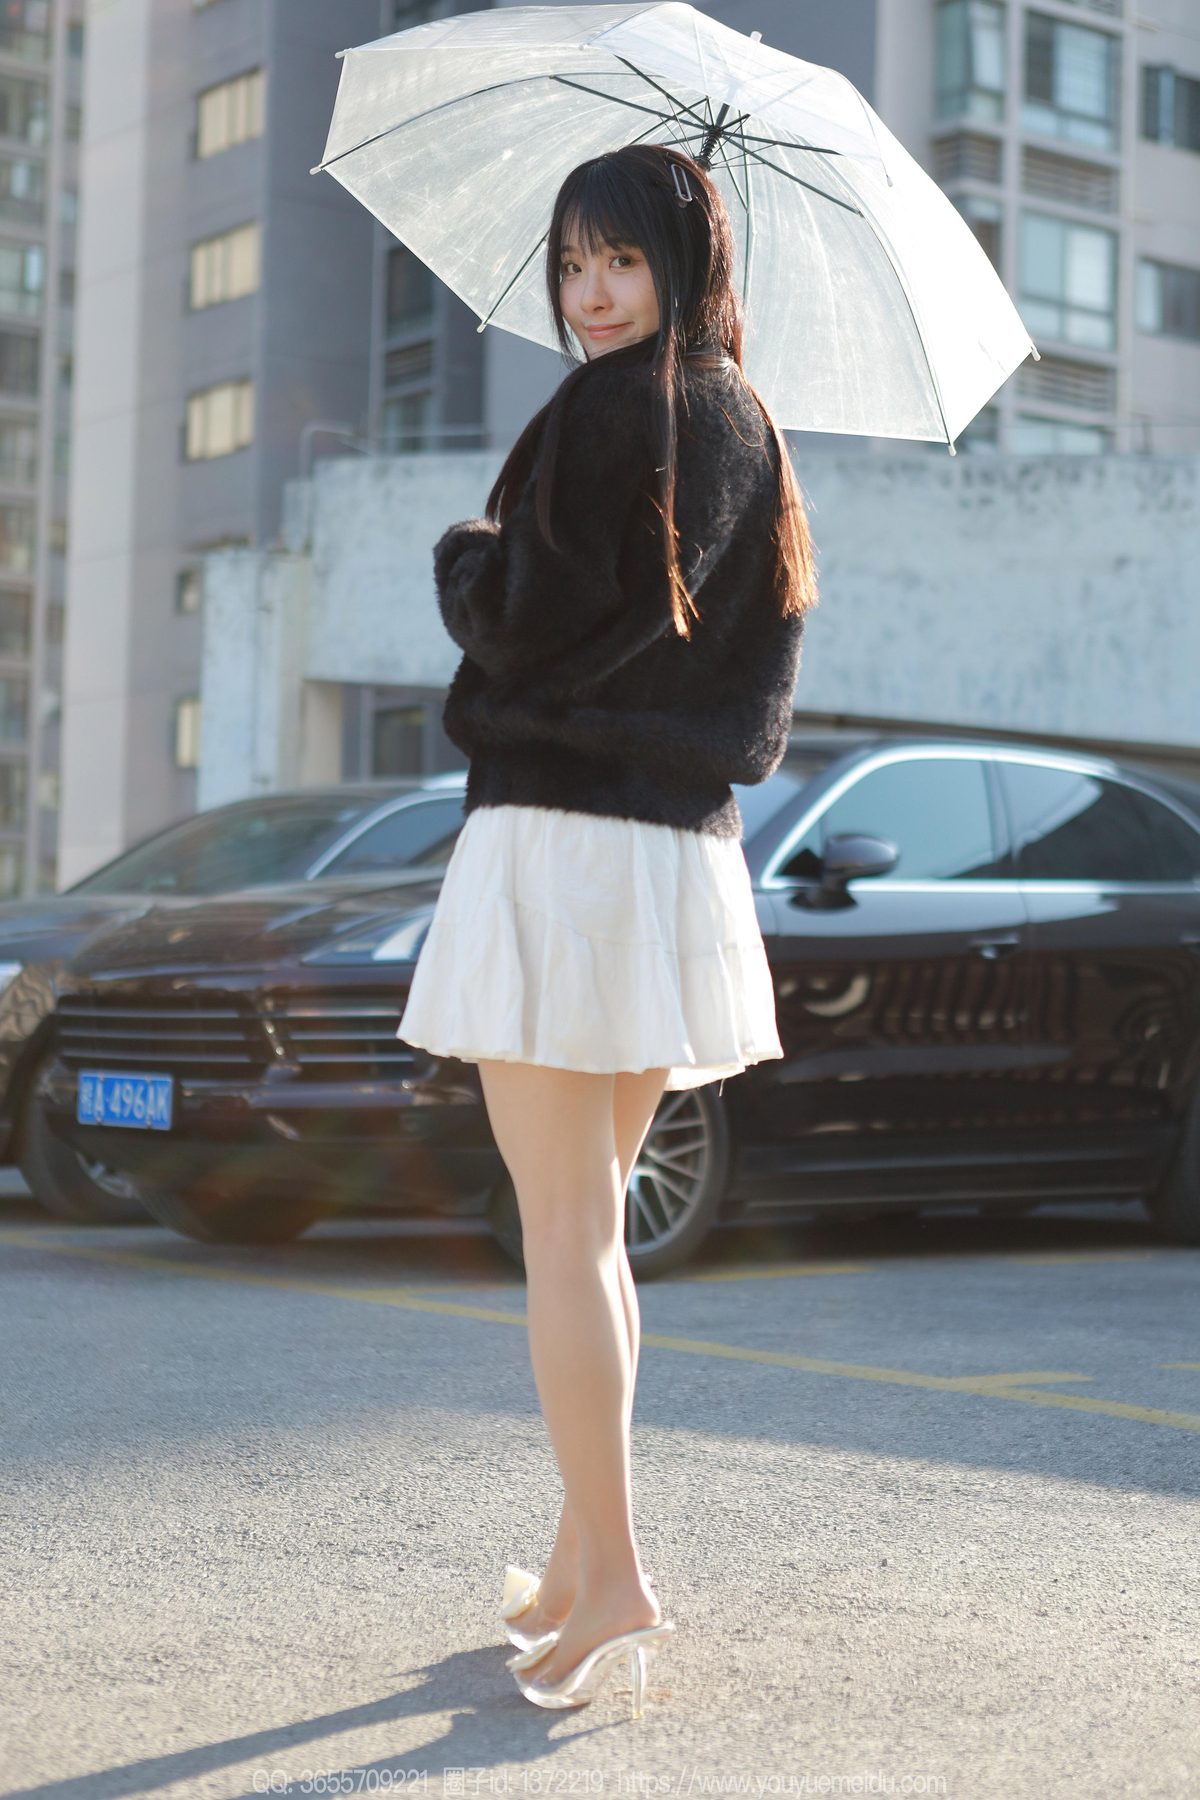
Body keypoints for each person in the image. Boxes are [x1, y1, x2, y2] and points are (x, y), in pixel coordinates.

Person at [396, 142, 819, 1718]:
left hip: (564, 847)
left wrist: (466, 561)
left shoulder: (609, 410)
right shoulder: (748, 425)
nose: (588, 293)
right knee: (601, 1229)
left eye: (619, 260)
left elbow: (528, 623)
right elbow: (740, 683)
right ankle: (580, 1567)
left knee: (564, 1232)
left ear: (682, 266)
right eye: (572, 264)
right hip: (674, 866)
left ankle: (621, 1571)